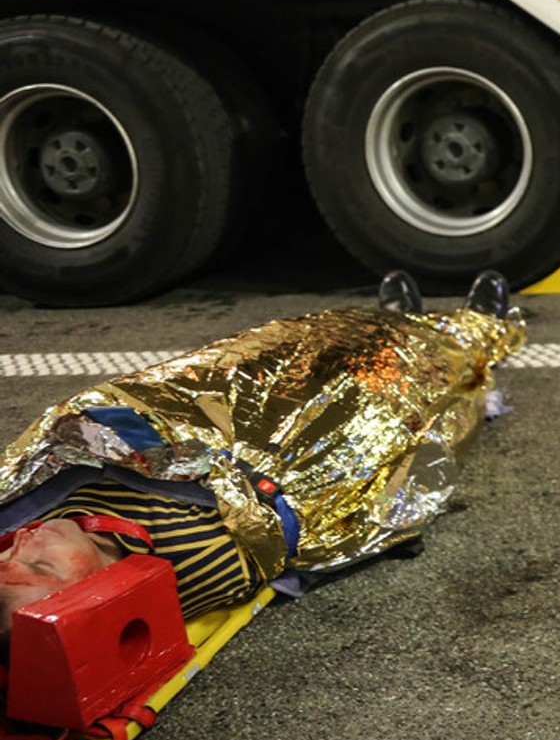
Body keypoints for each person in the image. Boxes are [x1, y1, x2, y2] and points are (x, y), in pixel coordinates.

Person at [0, 272, 521, 645]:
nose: (24, 542)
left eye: (8, 557)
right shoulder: (191, 558)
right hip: (279, 454)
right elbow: (231, 489)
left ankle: (395, 321)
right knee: (395, 389)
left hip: (220, 417)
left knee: (310, 344)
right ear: (99, 596)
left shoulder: (60, 532)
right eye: (40, 564)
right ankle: (477, 327)